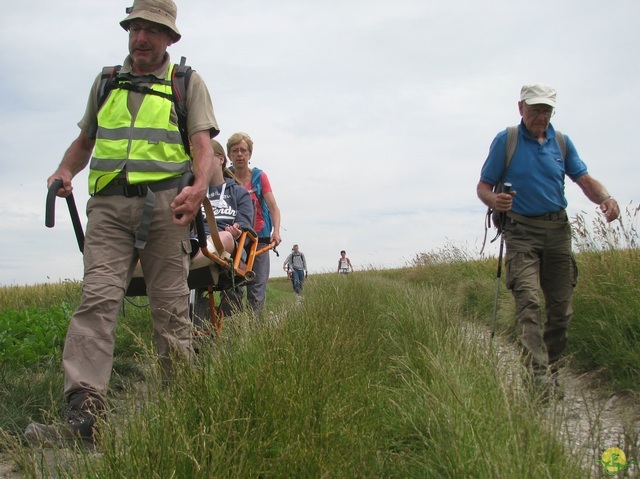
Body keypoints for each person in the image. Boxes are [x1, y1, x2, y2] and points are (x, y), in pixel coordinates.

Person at [26, 0, 222, 445]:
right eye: (135, 28)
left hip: (166, 206)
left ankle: (182, 410)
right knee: (95, 302)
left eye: (152, 30)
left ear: (170, 38)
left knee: (170, 308)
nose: (141, 38)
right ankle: (84, 414)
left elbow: (202, 146)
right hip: (109, 209)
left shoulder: (186, 82)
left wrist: (197, 190)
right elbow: (84, 142)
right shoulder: (106, 82)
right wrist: (63, 172)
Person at [476, 83, 620, 394]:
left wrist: (605, 198)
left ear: (552, 111)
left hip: (558, 234)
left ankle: (552, 368)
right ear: (521, 108)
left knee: (561, 311)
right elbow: (483, 187)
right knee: (528, 303)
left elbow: (583, 178)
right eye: (534, 108)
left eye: (546, 110)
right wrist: (494, 201)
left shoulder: (562, 143)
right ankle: (538, 379)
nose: (540, 115)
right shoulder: (507, 140)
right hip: (521, 234)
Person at [225, 132, 282, 315]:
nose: (239, 154)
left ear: (250, 154)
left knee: (256, 290)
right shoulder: (225, 177)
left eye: (243, 150)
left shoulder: (259, 177)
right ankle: (234, 331)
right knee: (232, 287)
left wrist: (276, 232)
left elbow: (273, 207)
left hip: (259, 239)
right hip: (234, 238)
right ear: (229, 155)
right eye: (235, 151)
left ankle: (255, 335)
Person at [191, 139, 253, 258]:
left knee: (226, 236)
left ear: (221, 159)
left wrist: (237, 230)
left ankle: (191, 262)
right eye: (196, 159)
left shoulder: (239, 192)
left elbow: (245, 227)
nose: (200, 163)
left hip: (227, 244)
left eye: (205, 157)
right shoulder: (193, 191)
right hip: (194, 241)